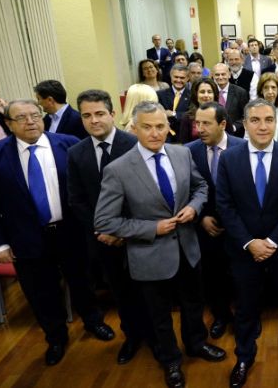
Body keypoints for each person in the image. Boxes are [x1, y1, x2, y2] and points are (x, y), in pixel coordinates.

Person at [95, 101, 226, 388]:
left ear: (169, 127)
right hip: (149, 255)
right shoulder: (118, 169)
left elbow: (200, 187)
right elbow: (104, 221)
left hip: (188, 248)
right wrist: (151, 228)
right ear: (133, 128)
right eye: (147, 127)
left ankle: (196, 344)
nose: (155, 133)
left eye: (160, 127)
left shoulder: (181, 154)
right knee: (160, 315)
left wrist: (194, 207)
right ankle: (170, 361)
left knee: (194, 304)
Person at [0, 99, 114, 366]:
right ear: (9, 125)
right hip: (26, 236)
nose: (31, 122)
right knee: (41, 291)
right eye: (22, 118)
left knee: (82, 281)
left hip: (71, 231)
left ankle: (93, 322)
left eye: (35, 115)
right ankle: (56, 337)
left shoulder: (69, 144)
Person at [217, 98, 278, 388]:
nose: (263, 126)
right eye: (255, 120)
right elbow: (225, 205)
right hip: (244, 251)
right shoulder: (229, 159)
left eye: (269, 119)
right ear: (245, 123)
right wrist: (249, 243)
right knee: (245, 307)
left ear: (276, 122)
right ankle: (244, 356)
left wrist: (270, 241)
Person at [66, 89, 154, 364]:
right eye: (87, 115)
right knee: (120, 293)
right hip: (103, 240)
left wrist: (124, 231)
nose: (94, 121)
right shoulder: (76, 153)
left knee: (149, 294)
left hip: (138, 236)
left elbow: (148, 195)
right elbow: (77, 200)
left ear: (113, 114)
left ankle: (156, 338)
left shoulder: (135, 145)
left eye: (100, 114)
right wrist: (104, 230)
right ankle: (132, 337)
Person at [185, 102, 245, 341]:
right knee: (213, 276)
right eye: (197, 123)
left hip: (239, 228)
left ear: (222, 124)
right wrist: (201, 218)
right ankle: (221, 316)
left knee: (241, 276)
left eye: (206, 123)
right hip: (207, 228)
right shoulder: (189, 151)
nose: (200, 128)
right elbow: (186, 190)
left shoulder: (243, 147)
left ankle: (244, 317)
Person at [212, 62, 249, 138]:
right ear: (212, 76)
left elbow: (246, 115)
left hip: (235, 135)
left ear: (229, 74)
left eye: (223, 74)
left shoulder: (240, 92)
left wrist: (234, 127)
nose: (220, 77)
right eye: (217, 74)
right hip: (214, 135)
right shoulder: (210, 92)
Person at [157, 64, 192, 142]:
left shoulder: (192, 95)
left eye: (182, 78)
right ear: (171, 76)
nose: (178, 80)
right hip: (165, 138)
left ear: (188, 78)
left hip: (185, 137)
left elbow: (191, 115)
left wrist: (174, 114)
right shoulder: (160, 94)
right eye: (176, 77)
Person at [179, 77, 219, 144]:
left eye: (209, 92)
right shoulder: (187, 117)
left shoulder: (222, 114)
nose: (206, 95)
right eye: (202, 92)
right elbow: (184, 145)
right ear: (196, 95)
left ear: (214, 95)